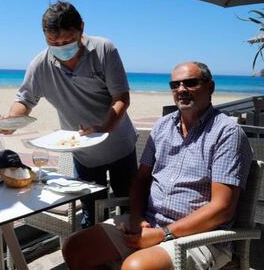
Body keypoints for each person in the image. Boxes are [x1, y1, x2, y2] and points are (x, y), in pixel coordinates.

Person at [62, 62, 253, 270]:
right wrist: (136, 218)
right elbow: (141, 179)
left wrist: (164, 234)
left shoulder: (226, 132)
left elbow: (222, 208)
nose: (181, 89)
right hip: (150, 223)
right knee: (75, 247)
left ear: (210, 87)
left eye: (190, 83)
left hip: (202, 236)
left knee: (136, 267)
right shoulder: (163, 126)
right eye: (175, 85)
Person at [0, 0, 138, 227]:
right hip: (83, 153)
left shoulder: (104, 49)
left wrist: (104, 127)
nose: (61, 47)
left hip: (120, 146)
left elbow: (121, 97)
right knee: (92, 217)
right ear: (45, 36)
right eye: (53, 42)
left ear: (81, 28)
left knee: (131, 210)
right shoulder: (40, 65)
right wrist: (12, 119)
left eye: (68, 41)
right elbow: (24, 99)